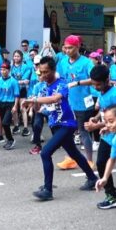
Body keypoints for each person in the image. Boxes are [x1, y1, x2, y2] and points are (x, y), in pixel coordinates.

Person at [24, 57, 98, 201]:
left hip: (67, 124)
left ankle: (48, 190)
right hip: (55, 125)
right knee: (74, 153)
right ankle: (92, 178)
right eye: (41, 72)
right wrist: (33, 104)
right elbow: (39, 108)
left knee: (45, 153)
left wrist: (34, 100)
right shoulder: (43, 87)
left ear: (53, 70)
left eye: (46, 72)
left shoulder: (62, 84)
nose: (43, 75)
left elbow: (54, 99)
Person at [84, 65, 116, 209]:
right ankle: (112, 196)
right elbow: (104, 111)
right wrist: (96, 118)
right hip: (107, 135)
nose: (95, 87)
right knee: (101, 163)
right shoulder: (102, 92)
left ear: (107, 80)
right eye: (93, 84)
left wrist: (96, 126)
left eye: (98, 84)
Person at [57, 35, 96, 171]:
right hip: (68, 102)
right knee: (68, 132)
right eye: (65, 48)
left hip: (83, 103)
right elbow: (61, 78)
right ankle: (71, 158)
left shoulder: (86, 62)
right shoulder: (63, 61)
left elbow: (94, 79)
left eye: (70, 48)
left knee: (83, 132)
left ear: (78, 47)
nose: (67, 50)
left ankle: (89, 160)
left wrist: (78, 83)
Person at [10, 50, 31, 137]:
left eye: (18, 56)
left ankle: (25, 128)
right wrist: (20, 81)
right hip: (13, 90)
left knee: (22, 108)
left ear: (21, 57)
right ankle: (16, 126)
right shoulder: (11, 67)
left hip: (22, 90)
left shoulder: (26, 67)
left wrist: (18, 81)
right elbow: (10, 79)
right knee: (14, 109)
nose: (16, 58)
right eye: (15, 56)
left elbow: (26, 80)